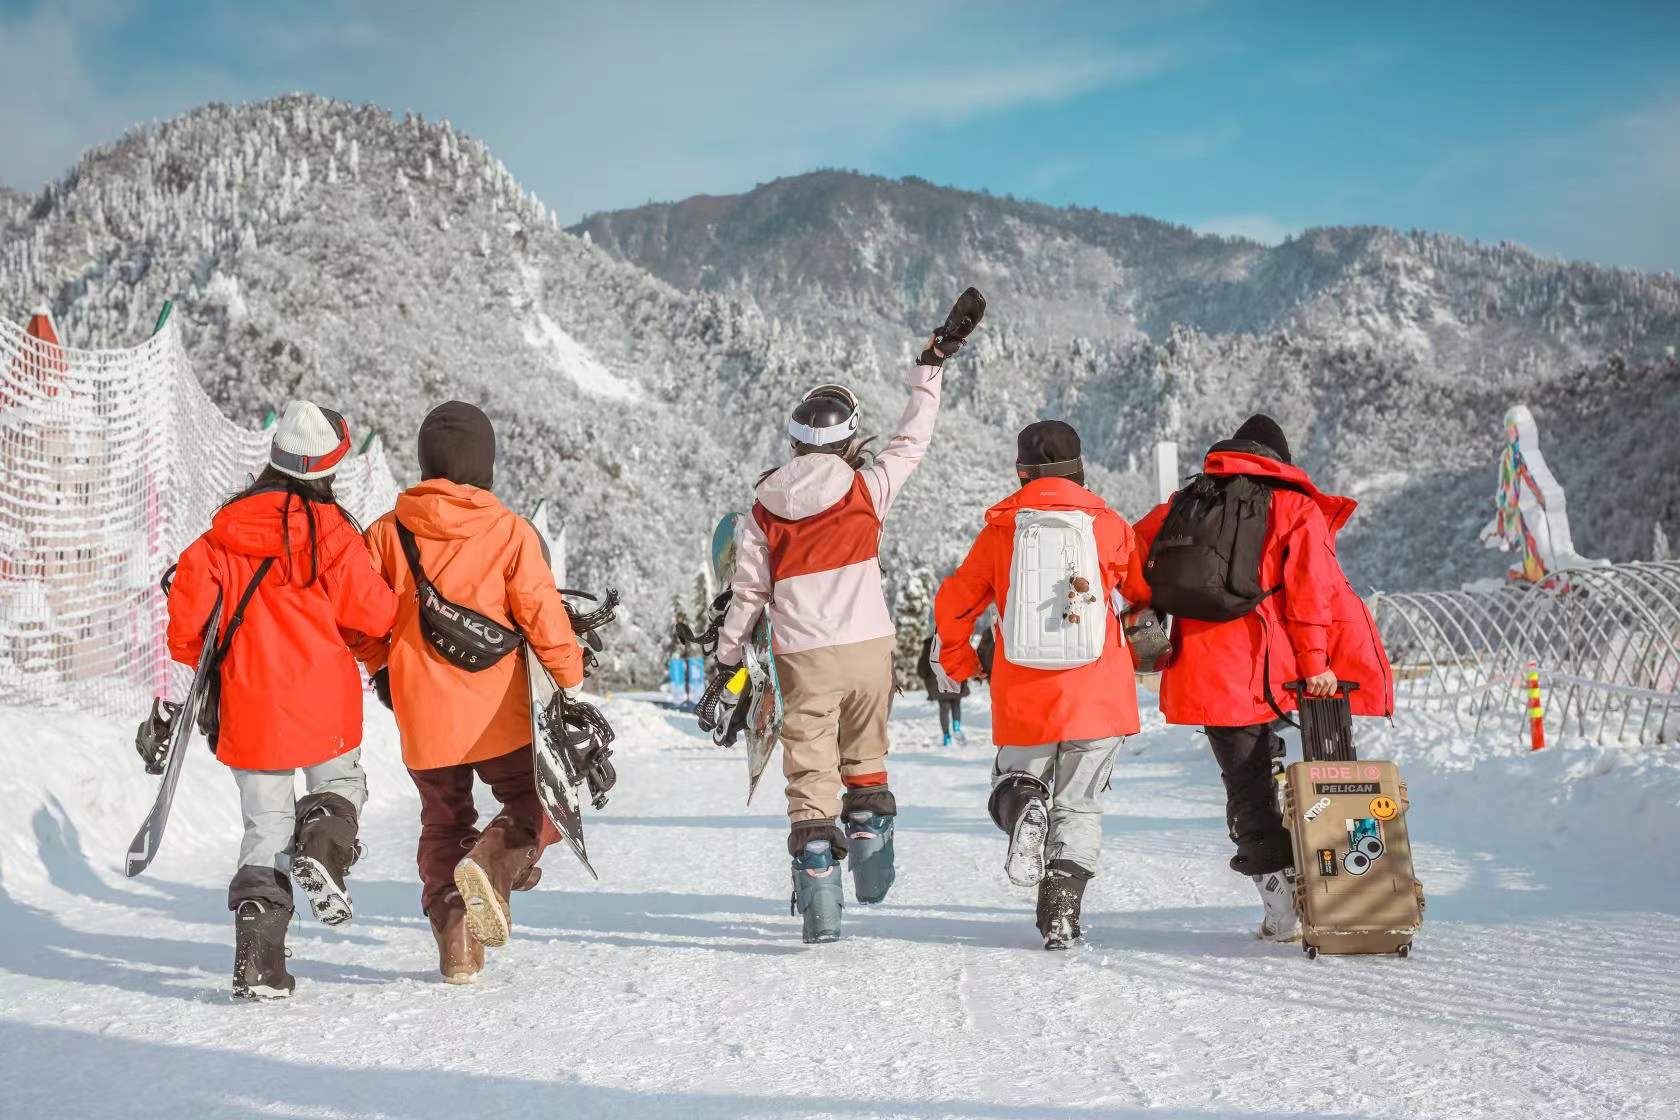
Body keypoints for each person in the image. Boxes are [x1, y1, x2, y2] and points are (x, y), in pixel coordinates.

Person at [699, 287, 984, 943]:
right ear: (850, 438)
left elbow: (747, 597)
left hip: (803, 656)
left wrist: (726, 660)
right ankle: (871, 841)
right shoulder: (867, 490)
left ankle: (820, 877)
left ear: (796, 444)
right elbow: (914, 438)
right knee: (866, 754)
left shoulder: (762, 513)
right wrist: (930, 365)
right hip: (870, 650)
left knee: (810, 769)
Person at [164, 400, 398, 1000]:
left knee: (265, 828)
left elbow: (188, 633)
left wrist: (230, 664)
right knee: (340, 789)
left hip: (251, 707)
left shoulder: (220, 536)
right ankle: (322, 847)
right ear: (328, 467)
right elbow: (375, 613)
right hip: (324, 702)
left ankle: (259, 964)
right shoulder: (335, 536)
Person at [1130, 414, 1394, 943]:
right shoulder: (1295, 508)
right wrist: (1318, 663)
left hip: (1208, 668)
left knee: (1245, 783)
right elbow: (1310, 594)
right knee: (1331, 768)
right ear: (1280, 461)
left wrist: (1147, 609)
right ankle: (1344, 886)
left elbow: (1131, 560)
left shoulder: (1183, 506)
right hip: (1283, 666)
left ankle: (1278, 901)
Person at [357, 401, 586, 983]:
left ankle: (458, 948)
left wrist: (384, 669)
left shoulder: (386, 532)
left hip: (423, 713)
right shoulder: (508, 531)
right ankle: (493, 863)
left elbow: (362, 620)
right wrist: (569, 677)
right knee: (536, 807)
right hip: (498, 713)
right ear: (485, 463)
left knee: (442, 819)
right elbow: (541, 614)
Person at [933, 421, 1149, 949]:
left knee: (1014, 782)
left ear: (1021, 472)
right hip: (1098, 694)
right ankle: (1061, 912)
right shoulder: (1111, 526)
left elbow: (954, 604)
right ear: (1079, 469)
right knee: (1080, 806)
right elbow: (1142, 593)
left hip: (1024, 692)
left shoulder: (1002, 531)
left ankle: (1025, 805)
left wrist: (961, 665)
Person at [916, 632, 968, 746]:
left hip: (939, 682)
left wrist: (926, 676)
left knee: (944, 708)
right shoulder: (956, 640)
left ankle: (946, 736)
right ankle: (957, 726)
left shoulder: (930, 643)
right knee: (956, 703)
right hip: (955, 678)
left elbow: (923, 667)